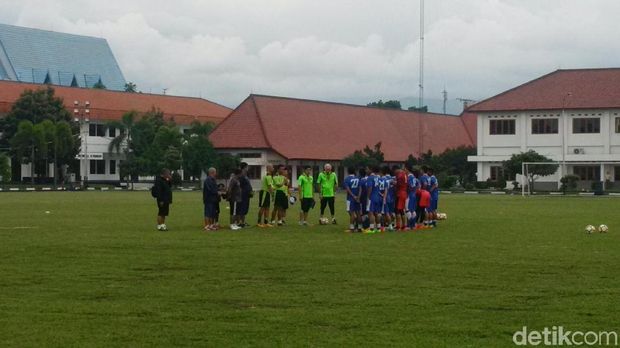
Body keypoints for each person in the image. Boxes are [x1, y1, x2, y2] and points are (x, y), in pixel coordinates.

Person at [343, 167, 362, 232]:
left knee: (352, 213)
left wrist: (353, 196)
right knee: (358, 213)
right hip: (357, 198)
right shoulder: (358, 178)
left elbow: (348, 189)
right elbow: (360, 188)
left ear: (348, 172)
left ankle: (352, 228)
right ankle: (359, 228)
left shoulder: (347, 179)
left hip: (350, 198)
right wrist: (358, 197)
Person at [366, 166, 383, 234]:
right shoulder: (377, 177)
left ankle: (372, 228)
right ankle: (378, 228)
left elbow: (370, 188)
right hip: (377, 197)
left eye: (367, 169)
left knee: (371, 213)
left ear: (371, 169)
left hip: (372, 197)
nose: (366, 170)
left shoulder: (370, 178)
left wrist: (369, 196)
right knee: (376, 213)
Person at [393, 164, 409, 231]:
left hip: (400, 193)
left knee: (397, 210)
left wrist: (394, 183)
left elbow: (398, 184)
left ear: (396, 170)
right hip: (404, 193)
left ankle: (398, 226)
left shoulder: (399, 174)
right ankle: (404, 226)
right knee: (402, 210)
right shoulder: (405, 174)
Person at [238, 162, 253, 227]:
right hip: (243, 194)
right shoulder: (241, 175)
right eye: (247, 167)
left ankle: (243, 222)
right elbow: (239, 185)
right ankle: (240, 222)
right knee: (242, 208)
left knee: (245, 208)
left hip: (247, 194)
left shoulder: (246, 175)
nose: (248, 168)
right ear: (244, 167)